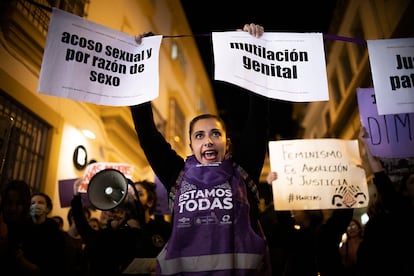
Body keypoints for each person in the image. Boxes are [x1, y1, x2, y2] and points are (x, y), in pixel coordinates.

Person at [132, 23, 271, 275]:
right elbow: (146, 132)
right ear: (191, 145)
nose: (208, 140)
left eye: (215, 133)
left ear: (226, 144)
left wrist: (255, 48)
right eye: (199, 135)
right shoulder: (178, 175)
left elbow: (258, 119)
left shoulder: (244, 172)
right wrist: (142, 62)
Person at [266, 172, 353, 276]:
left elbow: (343, 215)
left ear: (308, 210)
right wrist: (275, 188)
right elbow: (284, 220)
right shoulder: (294, 234)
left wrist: (349, 182)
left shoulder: (328, 232)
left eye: (296, 208)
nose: (292, 211)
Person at [356, 127, 414, 276]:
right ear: (405, 191)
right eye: (413, 181)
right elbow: (379, 173)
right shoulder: (402, 212)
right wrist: (368, 144)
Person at [17, 192, 66, 276]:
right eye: (33, 203)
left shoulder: (55, 233)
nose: (36, 205)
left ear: (47, 208)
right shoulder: (21, 228)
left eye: (40, 203)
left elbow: (56, 260)